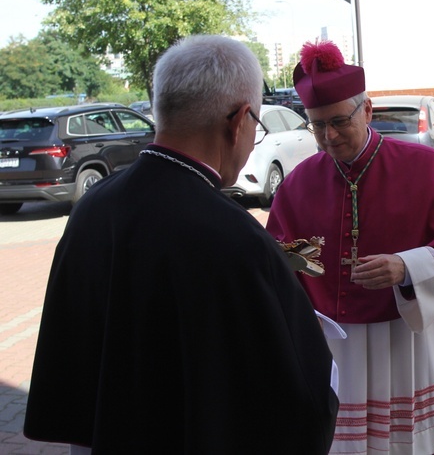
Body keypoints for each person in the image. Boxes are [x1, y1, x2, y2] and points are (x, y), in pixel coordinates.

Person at [24, 35, 338, 454]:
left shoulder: (93, 208)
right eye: (256, 126)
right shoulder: (236, 237)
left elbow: (72, 357)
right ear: (239, 119)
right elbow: (293, 397)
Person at [265, 40, 434, 455]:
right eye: (316, 125)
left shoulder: (426, 168)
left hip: (403, 339)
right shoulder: (296, 183)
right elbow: (278, 260)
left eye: (338, 122)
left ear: (367, 111)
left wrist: (406, 268)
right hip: (334, 346)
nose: (328, 137)